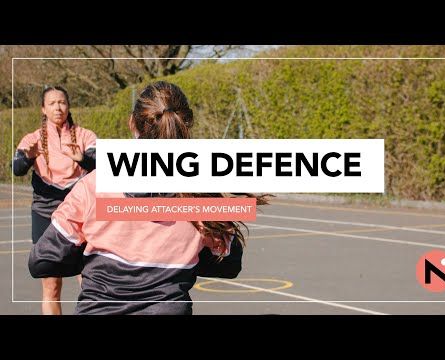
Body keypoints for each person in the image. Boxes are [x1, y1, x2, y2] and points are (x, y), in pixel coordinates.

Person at [28, 81, 269, 315]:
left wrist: (94, 257)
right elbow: (229, 263)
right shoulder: (200, 193)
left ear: (133, 123)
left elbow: (42, 261)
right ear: (186, 126)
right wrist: (182, 254)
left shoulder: (94, 185)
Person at [13, 86, 96, 315]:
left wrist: (82, 158)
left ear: (68, 106)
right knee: (51, 285)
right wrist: (28, 157)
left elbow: (100, 163)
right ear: (43, 108)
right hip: (45, 213)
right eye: (52, 103)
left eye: (62, 102)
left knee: (89, 280)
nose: (58, 107)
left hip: (80, 214)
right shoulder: (33, 139)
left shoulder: (85, 135)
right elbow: (17, 168)